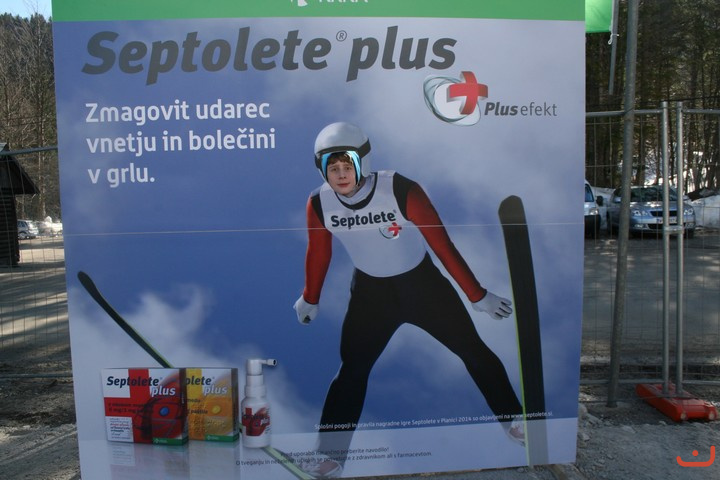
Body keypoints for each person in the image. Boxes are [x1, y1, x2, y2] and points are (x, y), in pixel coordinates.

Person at [293, 122, 524, 477]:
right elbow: (319, 253)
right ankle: (330, 456)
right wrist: (310, 298)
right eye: (332, 167)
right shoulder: (319, 203)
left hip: (423, 287)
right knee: (351, 371)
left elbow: (442, 245)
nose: (340, 175)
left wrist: (477, 295)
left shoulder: (401, 189)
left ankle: (515, 421)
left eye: (347, 166)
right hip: (370, 296)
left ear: (364, 161)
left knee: (472, 349)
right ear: (321, 169)